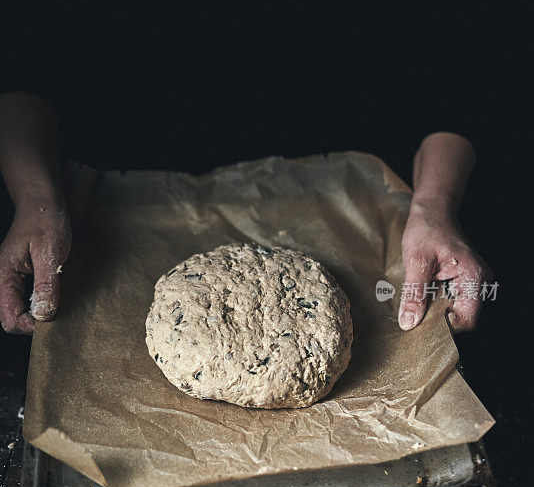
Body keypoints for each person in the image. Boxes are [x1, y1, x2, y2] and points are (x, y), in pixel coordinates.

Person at [0, 91, 491, 336]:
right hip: (112, 200)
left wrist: (435, 206)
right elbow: (22, 75)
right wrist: (35, 197)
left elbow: (453, 87)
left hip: (356, 189)